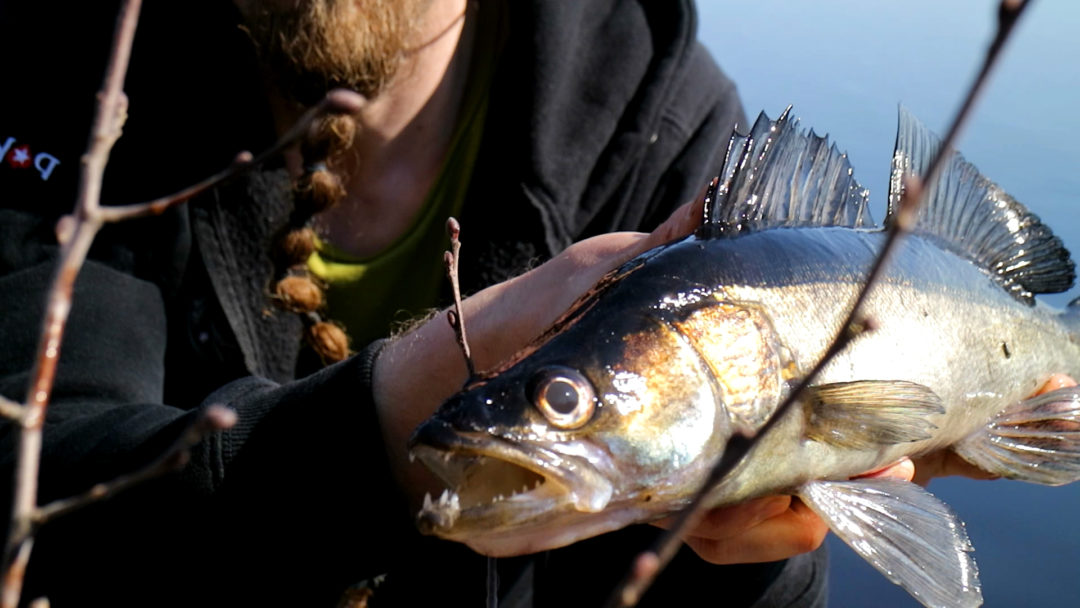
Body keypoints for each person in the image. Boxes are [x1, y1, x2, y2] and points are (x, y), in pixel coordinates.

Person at [1, 0, 1005, 606]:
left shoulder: (659, 120)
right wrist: (388, 417)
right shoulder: (77, 69)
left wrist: (746, 551)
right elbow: (32, 485)